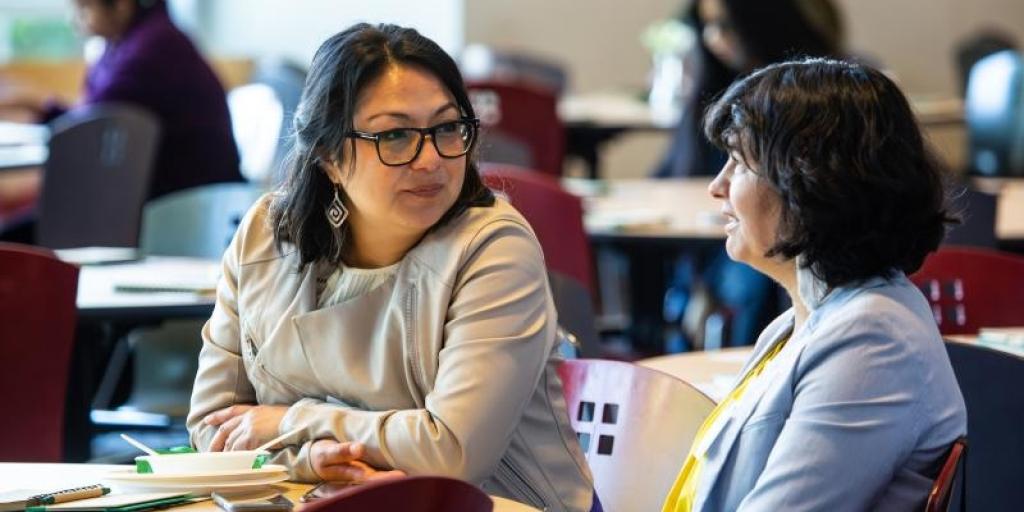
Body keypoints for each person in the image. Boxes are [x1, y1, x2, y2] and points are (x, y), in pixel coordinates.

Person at [186, 23, 596, 512]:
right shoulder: (265, 236)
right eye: (396, 136)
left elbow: (451, 455)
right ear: (327, 156)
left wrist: (283, 422)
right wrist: (310, 459)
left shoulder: (493, 248)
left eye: (447, 129)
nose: (430, 160)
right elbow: (212, 426)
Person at [661, 58, 967, 511]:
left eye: (740, 163)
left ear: (811, 181)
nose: (716, 186)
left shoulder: (873, 341)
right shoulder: (810, 318)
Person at [650, 0, 845, 352]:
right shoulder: (712, 89)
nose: (714, 39)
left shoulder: (813, 100)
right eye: (706, 26)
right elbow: (667, 177)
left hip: (775, 246)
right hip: (722, 240)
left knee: (745, 280)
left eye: (724, 24)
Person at [0, 0, 241, 201]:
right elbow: (90, 115)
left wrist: (35, 103)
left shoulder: (152, 50)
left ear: (122, 5)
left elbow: (88, 128)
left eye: (84, 9)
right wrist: (34, 103)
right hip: (154, 200)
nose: (74, 21)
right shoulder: (132, 41)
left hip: (183, 209)